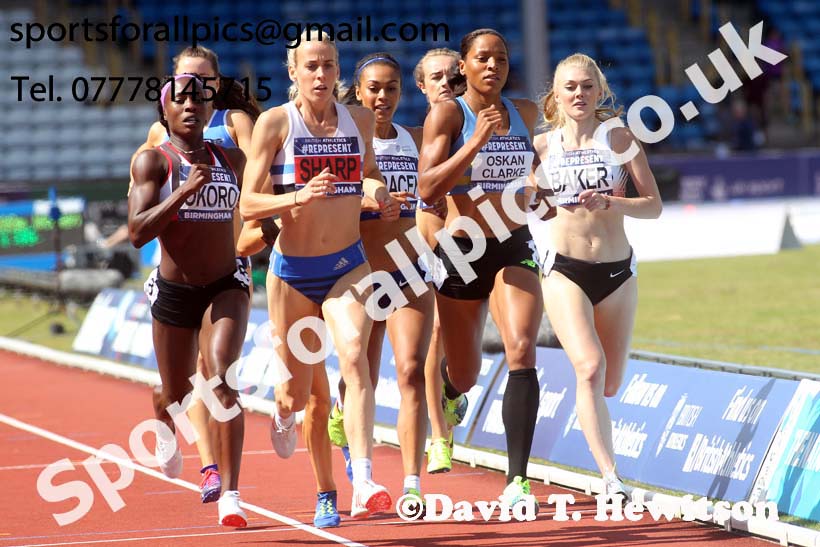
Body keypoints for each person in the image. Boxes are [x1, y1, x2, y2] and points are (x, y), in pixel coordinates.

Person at [240, 30, 399, 520]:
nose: (321, 75)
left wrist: (379, 193)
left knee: (354, 357)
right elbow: (248, 203)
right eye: (311, 66)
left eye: (329, 65)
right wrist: (295, 198)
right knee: (300, 393)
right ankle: (284, 415)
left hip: (348, 265)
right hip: (291, 273)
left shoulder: (357, 122)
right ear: (293, 72)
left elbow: (366, 173)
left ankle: (363, 479)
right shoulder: (274, 124)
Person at [417, 28, 546, 505]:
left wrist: (540, 188)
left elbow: (535, 168)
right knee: (467, 372)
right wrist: (474, 141)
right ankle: (451, 391)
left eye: (502, 59)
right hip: (461, 251)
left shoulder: (526, 113)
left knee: (521, 349)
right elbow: (427, 189)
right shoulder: (449, 113)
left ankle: (517, 481)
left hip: (513, 243)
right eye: (483, 58)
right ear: (464, 67)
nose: (494, 66)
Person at [128, 46, 261, 505]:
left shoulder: (233, 159)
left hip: (227, 283)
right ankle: (163, 417)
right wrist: (184, 191)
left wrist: (276, 230)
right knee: (177, 394)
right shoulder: (152, 159)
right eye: (181, 95)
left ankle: (232, 493)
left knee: (222, 380)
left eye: (200, 95)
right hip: (174, 288)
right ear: (165, 106)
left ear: (211, 103)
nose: (190, 103)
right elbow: (136, 233)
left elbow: (260, 209)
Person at [532, 53, 662, 497]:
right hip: (565, 270)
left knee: (609, 381)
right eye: (569, 87)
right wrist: (536, 198)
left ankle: (601, 442)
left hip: (618, 272)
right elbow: (527, 205)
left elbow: (654, 205)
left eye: (587, 86)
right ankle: (611, 477)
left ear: (599, 90)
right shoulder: (542, 147)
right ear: (555, 93)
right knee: (588, 367)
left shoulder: (620, 138)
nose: (579, 94)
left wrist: (612, 202)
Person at [327, 52, 434, 504]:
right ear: (358, 90)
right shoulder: (344, 140)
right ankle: (355, 447)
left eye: (391, 88)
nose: (383, 97)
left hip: (411, 271)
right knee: (361, 375)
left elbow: (440, 190)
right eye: (374, 88)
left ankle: (412, 484)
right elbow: (327, 205)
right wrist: (371, 203)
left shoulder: (414, 137)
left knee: (411, 372)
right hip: (363, 275)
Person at [412, 48, 467, 474]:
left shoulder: (473, 125)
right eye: (436, 77)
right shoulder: (413, 136)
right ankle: (438, 438)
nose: (445, 83)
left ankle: (453, 389)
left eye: (453, 76)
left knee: (453, 342)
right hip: (417, 239)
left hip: (473, 242)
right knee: (430, 337)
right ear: (422, 85)